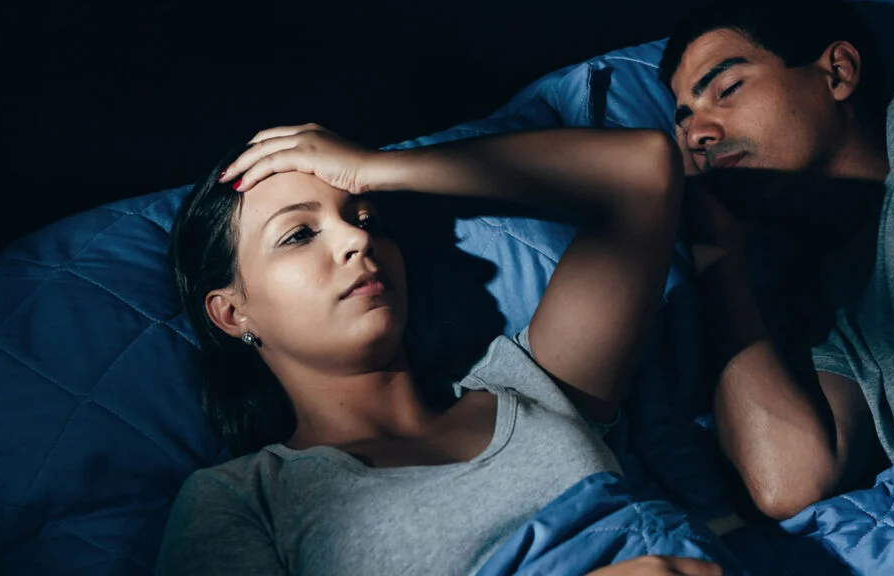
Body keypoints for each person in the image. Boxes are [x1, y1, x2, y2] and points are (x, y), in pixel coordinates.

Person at [157, 123, 726, 575]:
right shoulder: (244, 498)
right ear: (233, 313)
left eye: (366, 218)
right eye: (299, 234)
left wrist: (373, 167)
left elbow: (644, 169)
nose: (357, 239)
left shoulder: (535, 389)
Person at [659, 0, 894, 520]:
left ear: (838, 72)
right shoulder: (819, 291)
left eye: (727, 90)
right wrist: (716, 246)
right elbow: (788, 482)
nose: (699, 135)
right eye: (685, 122)